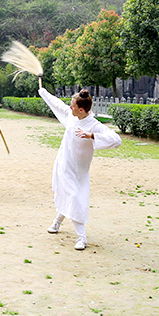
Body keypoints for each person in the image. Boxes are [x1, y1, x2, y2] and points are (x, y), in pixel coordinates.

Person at [38, 78, 121, 250]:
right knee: (72, 197)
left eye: (73, 106)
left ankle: (56, 222)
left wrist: (92, 136)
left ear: (81, 110)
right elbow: (58, 104)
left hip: (80, 171)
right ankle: (81, 238)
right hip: (64, 165)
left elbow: (116, 140)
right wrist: (43, 92)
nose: (70, 107)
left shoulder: (94, 125)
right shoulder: (71, 115)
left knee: (73, 197)